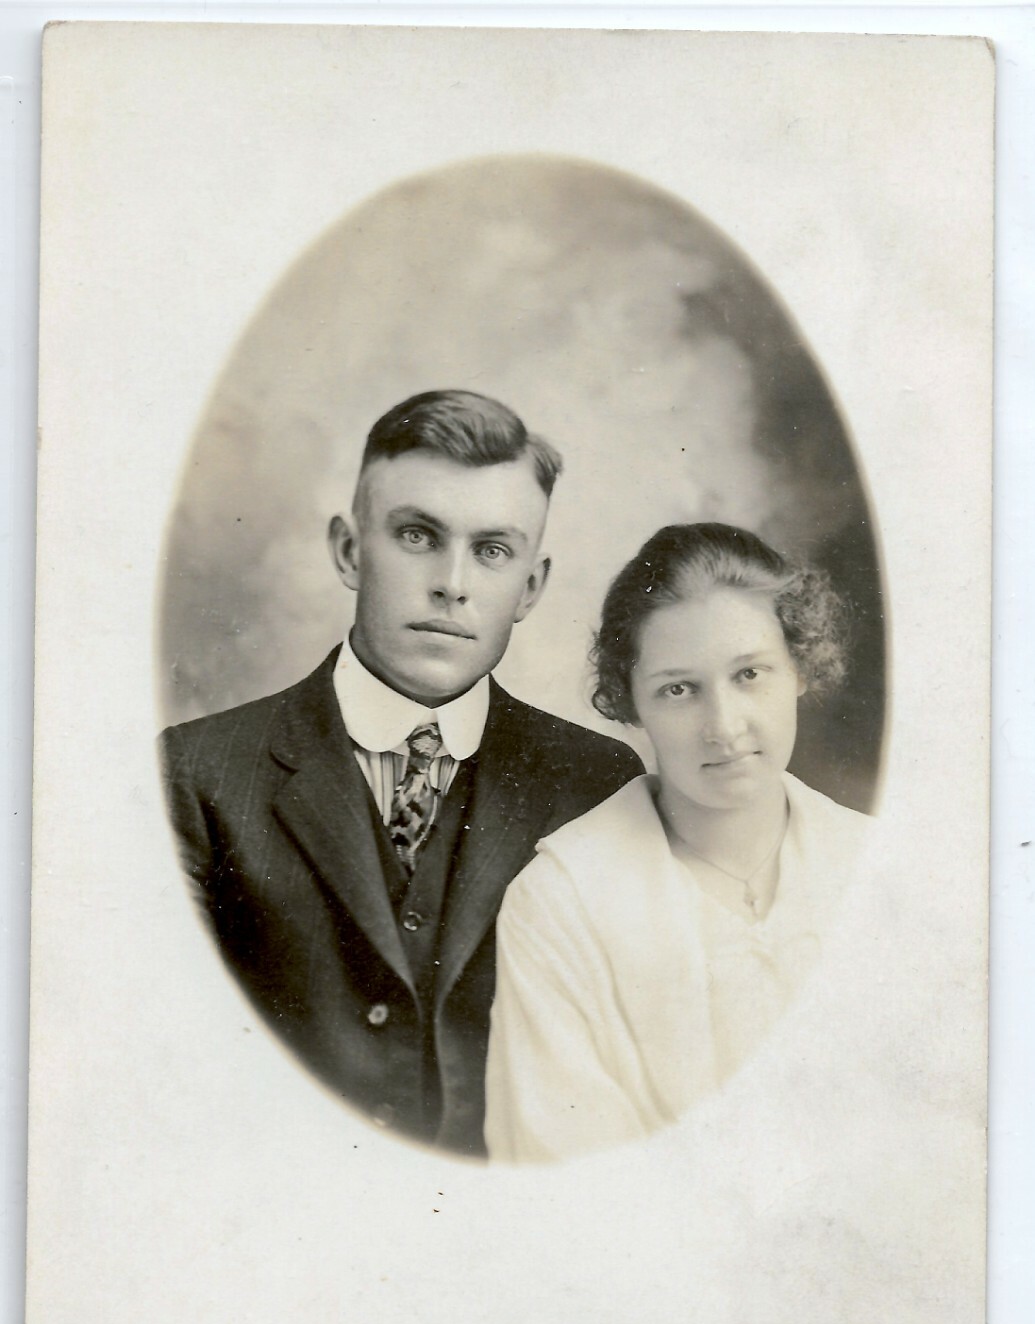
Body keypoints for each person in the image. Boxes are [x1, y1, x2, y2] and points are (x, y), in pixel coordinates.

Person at [160, 390, 642, 1157]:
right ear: (350, 552)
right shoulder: (195, 774)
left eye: (492, 550)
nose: (452, 582)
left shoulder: (598, 784)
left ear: (530, 587)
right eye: (417, 535)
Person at [484, 522, 873, 1163]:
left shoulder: (879, 864)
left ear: (800, 668)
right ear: (630, 703)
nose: (723, 727)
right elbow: (563, 1169)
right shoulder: (559, 902)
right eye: (679, 689)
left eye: (750, 674)